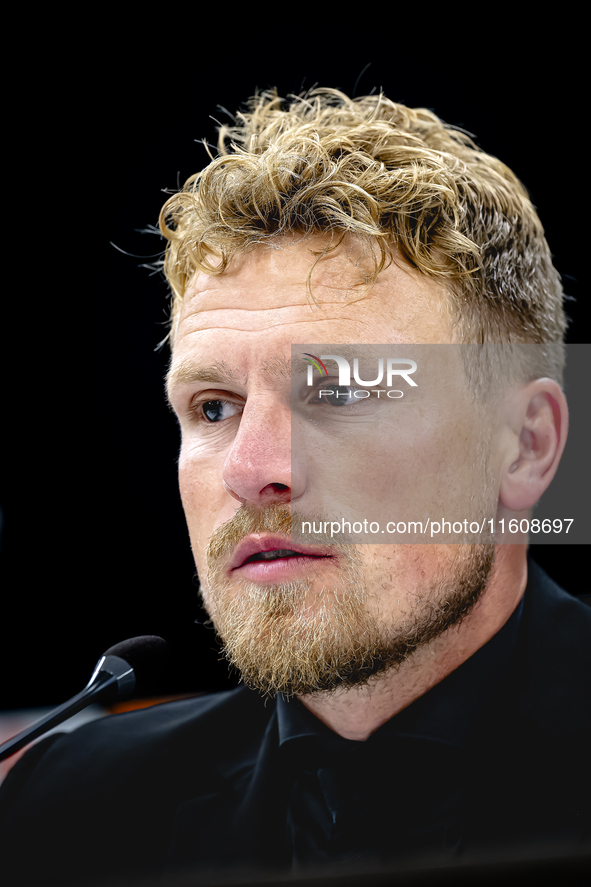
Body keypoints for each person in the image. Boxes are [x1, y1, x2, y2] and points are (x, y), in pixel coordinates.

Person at [0, 88, 589, 887]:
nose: (251, 468)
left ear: (527, 446)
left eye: (340, 392)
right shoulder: (59, 810)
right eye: (213, 406)